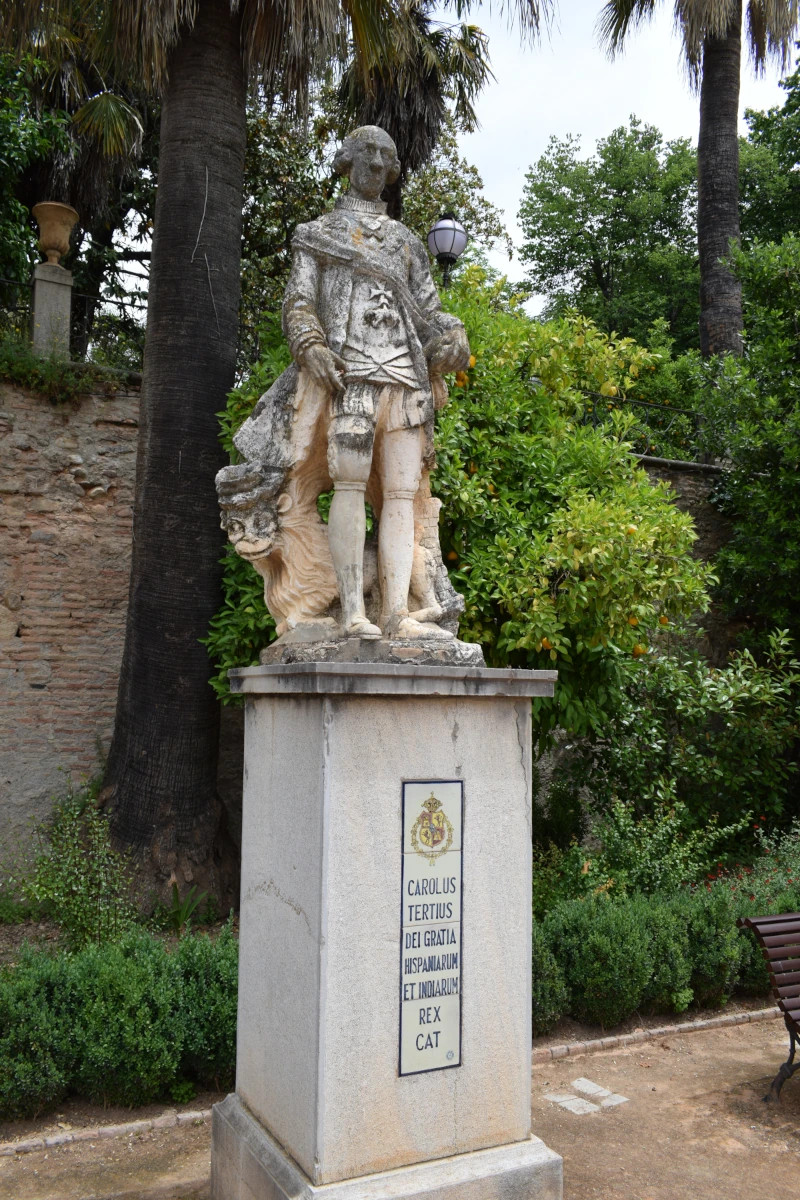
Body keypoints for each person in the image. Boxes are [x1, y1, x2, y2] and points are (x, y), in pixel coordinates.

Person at [282, 125, 470, 640]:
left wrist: (455, 337)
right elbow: (298, 304)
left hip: (405, 380)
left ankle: (396, 614)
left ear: (391, 171)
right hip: (352, 377)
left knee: (402, 495)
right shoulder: (318, 234)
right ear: (347, 161)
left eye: (386, 155)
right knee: (346, 483)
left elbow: (432, 314)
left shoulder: (408, 244)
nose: (376, 162)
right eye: (367, 152)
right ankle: (352, 614)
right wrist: (311, 345)